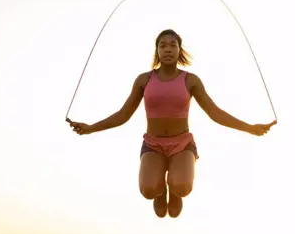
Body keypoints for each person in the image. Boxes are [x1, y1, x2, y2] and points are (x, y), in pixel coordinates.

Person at [67, 29, 276, 218]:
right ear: (157, 51)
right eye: (163, 45)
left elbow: (215, 113)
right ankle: (160, 191)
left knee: (183, 187)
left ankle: (175, 192)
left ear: (179, 50)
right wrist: (91, 128)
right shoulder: (144, 80)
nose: (168, 49)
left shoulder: (190, 80)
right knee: (148, 190)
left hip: (182, 144)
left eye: (173, 45)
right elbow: (123, 115)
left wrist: (249, 128)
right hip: (153, 144)